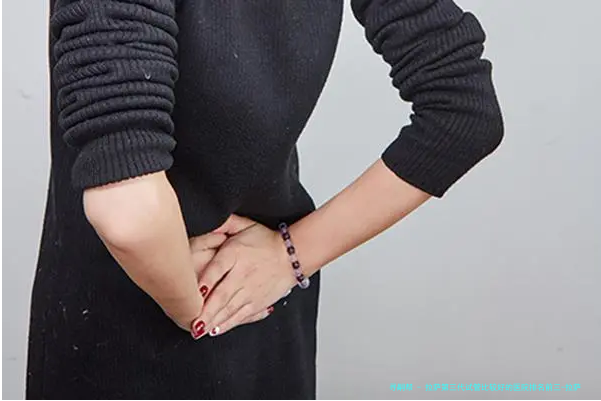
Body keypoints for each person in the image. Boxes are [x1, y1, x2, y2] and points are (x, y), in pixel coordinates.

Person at [26, 0, 504, 399]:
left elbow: (128, 213)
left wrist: (195, 308)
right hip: (261, 323)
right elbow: (464, 110)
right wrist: (289, 256)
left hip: (123, 330)